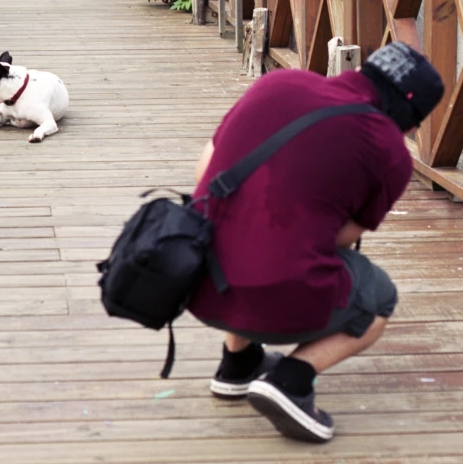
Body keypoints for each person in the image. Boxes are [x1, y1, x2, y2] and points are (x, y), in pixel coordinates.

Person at [187, 42, 445, 443]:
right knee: (379, 297)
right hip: (277, 299)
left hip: (197, 280)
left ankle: (237, 366)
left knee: (244, 233)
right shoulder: (391, 151)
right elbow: (339, 238)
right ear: (410, 118)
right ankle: (291, 380)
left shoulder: (277, 83)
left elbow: (207, 169)